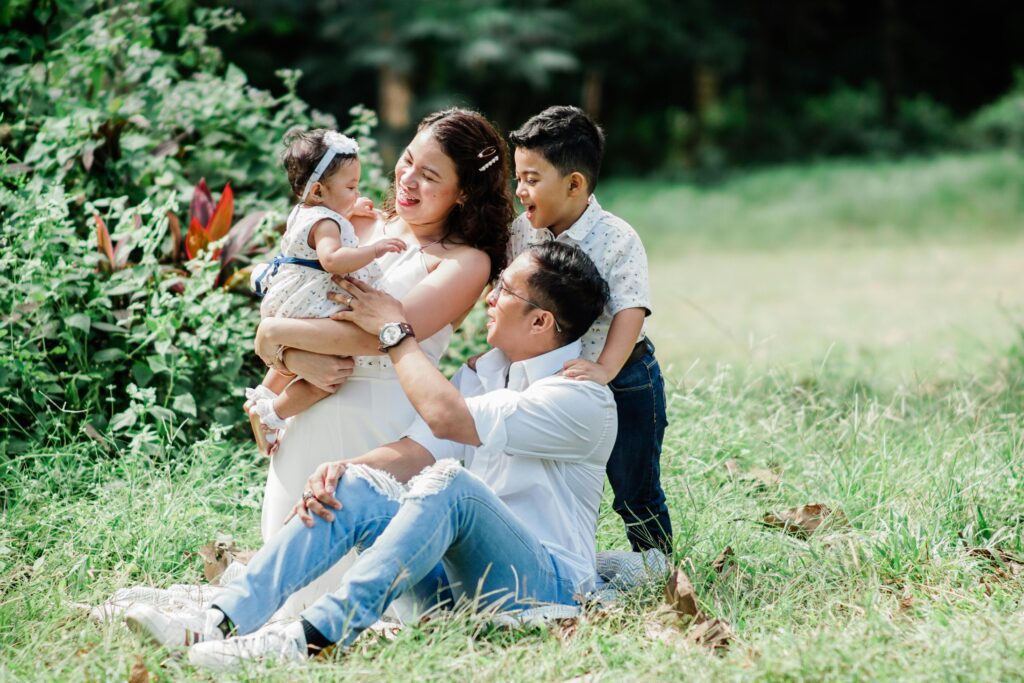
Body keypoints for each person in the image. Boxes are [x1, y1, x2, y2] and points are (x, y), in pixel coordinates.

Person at [125, 242, 616, 671]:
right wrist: (347, 471)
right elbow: (418, 448)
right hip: (458, 595)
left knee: (453, 484)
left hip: (543, 590)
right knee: (359, 482)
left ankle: (311, 638)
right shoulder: (485, 375)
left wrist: (395, 333)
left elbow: (447, 421)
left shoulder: (579, 398)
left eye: (504, 289)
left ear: (541, 321)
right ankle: (216, 622)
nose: (490, 296)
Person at [252, 108, 514, 616]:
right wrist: (269, 388)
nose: (408, 179)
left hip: (379, 427)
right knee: (283, 581)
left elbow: (374, 338)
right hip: (307, 416)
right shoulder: (357, 225)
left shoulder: (464, 262)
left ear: (463, 193)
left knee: (357, 592)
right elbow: (309, 298)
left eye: (430, 175)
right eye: (408, 161)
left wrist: (273, 334)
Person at [507, 105, 672, 554]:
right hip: (554, 380)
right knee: (550, 479)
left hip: (626, 377)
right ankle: (558, 555)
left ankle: (656, 566)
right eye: (518, 177)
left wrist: (603, 368)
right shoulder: (523, 233)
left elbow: (631, 309)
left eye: (531, 179)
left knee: (633, 484)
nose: (520, 190)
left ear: (574, 183)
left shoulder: (616, 237)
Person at [245, 129, 408, 453]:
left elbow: (322, 227)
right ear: (319, 190)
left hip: (291, 297)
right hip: (313, 300)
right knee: (330, 376)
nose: (356, 191)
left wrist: (349, 208)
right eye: (350, 187)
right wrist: (374, 249)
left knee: (310, 355)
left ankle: (266, 393)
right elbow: (332, 259)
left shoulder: (306, 212)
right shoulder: (327, 224)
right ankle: (273, 414)